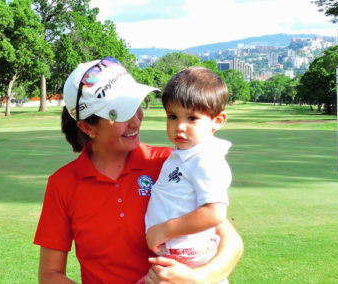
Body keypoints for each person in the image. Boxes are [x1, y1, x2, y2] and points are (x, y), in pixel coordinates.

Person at [34, 56, 243, 284]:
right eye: (120, 114)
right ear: (87, 127)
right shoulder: (63, 183)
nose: (135, 121)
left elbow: (231, 241)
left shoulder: (170, 163)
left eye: (135, 107)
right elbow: (50, 275)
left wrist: (197, 277)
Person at [139, 67, 232, 284]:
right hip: (174, 254)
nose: (179, 127)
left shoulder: (206, 158)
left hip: (189, 257)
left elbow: (215, 213)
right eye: (172, 116)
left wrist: (163, 229)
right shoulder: (182, 155)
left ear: (217, 121)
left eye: (192, 118)